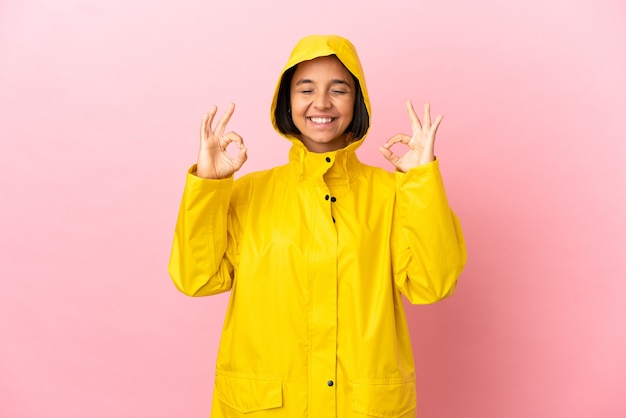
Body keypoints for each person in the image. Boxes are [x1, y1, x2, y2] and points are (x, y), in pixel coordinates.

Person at [168, 34, 466, 418]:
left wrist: (422, 182)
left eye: (338, 89)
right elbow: (196, 278)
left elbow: (433, 283)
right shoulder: (248, 194)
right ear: (286, 102)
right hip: (266, 408)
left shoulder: (393, 193)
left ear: (357, 102)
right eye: (305, 89)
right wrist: (209, 185)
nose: (321, 102)